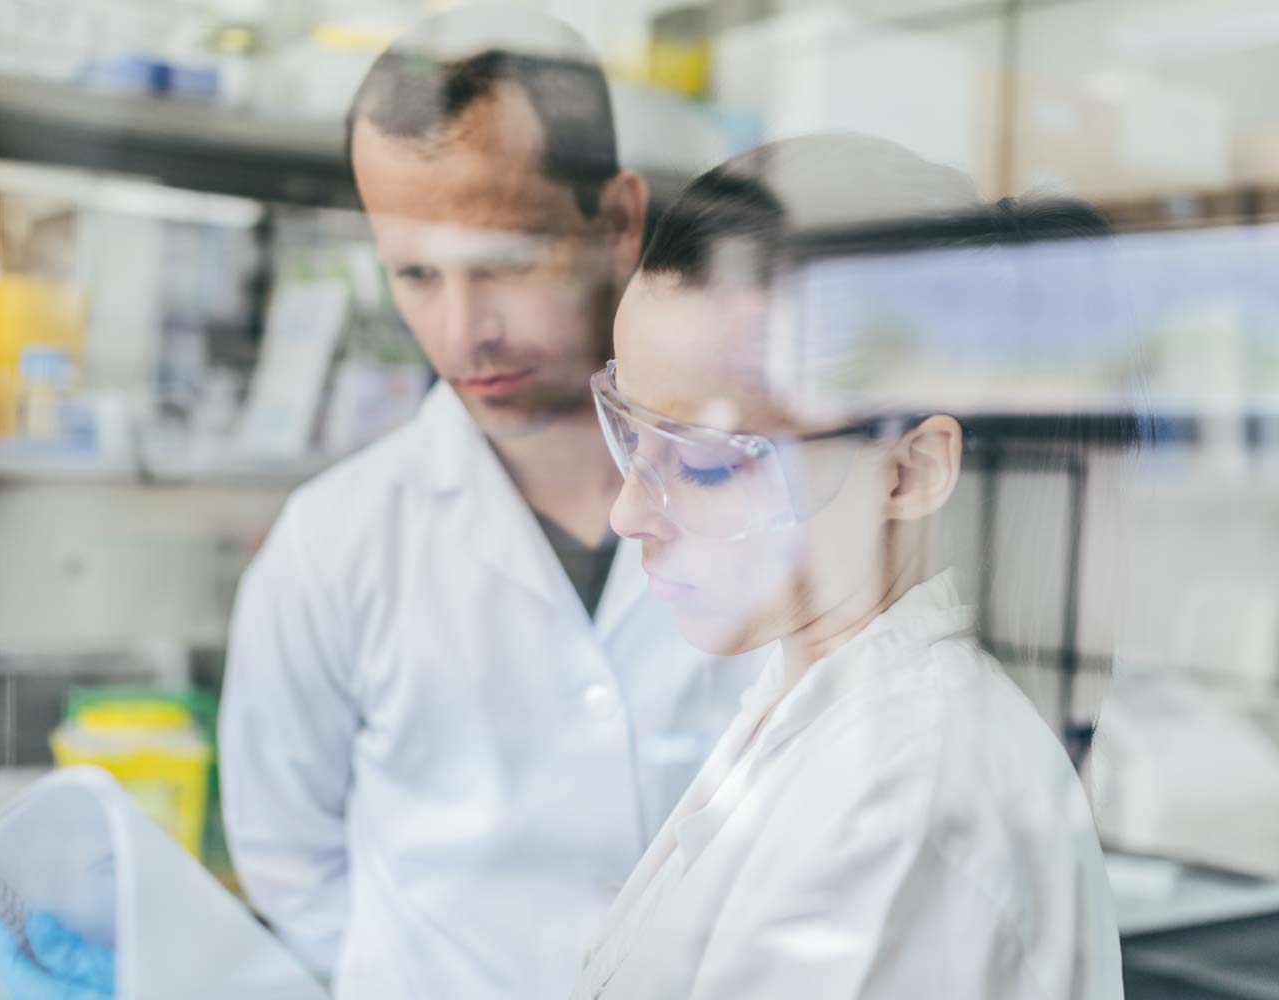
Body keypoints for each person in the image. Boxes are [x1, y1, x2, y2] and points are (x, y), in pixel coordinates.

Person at [214, 12, 764, 1000]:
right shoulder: (332, 541)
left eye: (507, 260)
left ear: (617, 223)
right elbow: (290, 863)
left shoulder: (766, 502)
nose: (463, 332)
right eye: (416, 274)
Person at [568, 135, 1126, 998]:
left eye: (708, 463)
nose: (629, 510)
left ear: (910, 471)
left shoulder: (906, 816)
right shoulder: (823, 710)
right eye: (632, 433)